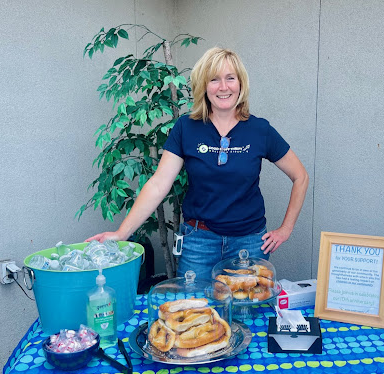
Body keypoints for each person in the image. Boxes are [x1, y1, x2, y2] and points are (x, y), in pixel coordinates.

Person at [87, 47, 309, 280]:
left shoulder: (260, 130)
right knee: (194, 311)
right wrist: (122, 233)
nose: (223, 87)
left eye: (230, 78)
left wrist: (286, 229)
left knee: (247, 313)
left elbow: (300, 177)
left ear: (241, 84)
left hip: (248, 245)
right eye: (214, 80)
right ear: (203, 86)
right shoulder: (186, 128)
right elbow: (159, 183)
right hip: (198, 243)